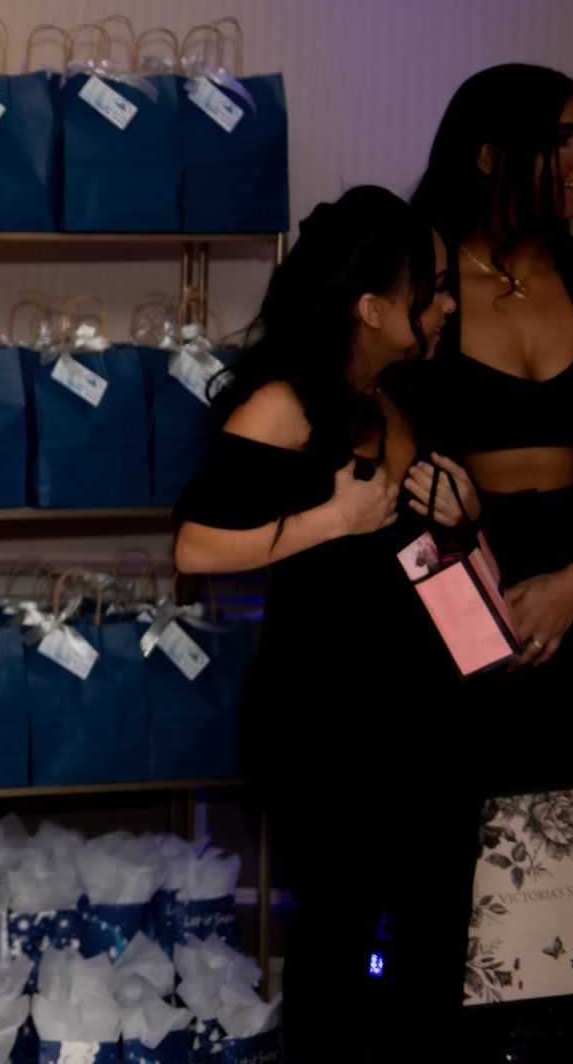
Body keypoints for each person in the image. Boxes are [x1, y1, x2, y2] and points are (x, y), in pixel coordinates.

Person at [172, 187, 474, 1060]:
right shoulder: (282, 406)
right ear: (375, 308)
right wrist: (327, 522)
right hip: (330, 728)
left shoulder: (396, 397)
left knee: (430, 953)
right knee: (340, 952)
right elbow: (195, 546)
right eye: (433, 287)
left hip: (423, 720)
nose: (449, 305)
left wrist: (460, 511)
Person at [411, 63, 573, 794]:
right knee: (469, 847)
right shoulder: (422, 288)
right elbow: (387, 467)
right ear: (489, 156)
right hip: (461, 583)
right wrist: (480, 624)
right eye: (563, 139)